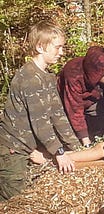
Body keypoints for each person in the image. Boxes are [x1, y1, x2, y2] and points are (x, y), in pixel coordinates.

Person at [0, 20, 82, 201]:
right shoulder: (30, 78)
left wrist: (75, 146)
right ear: (40, 47)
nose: (62, 52)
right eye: (57, 47)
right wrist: (59, 153)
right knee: (15, 200)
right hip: (13, 149)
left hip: (27, 147)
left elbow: (58, 114)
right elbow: (41, 123)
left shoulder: (47, 77)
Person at [57, 46, 104, 147]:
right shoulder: (73, 73)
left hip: (94, 99)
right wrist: (86, 141)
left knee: (103, 126)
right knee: (74, 141)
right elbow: (74, 109)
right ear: (95, 73)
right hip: (68, 104)